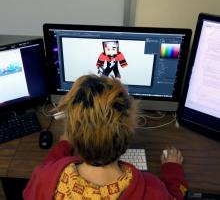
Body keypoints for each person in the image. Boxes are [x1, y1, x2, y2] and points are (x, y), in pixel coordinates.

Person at [23, 74, 188, 200]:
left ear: (73, 134)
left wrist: (64, 144)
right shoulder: (151, 190)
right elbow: (175, 196)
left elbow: (46, 169)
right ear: (129, 132)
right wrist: (172, 169)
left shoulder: (44, 179)